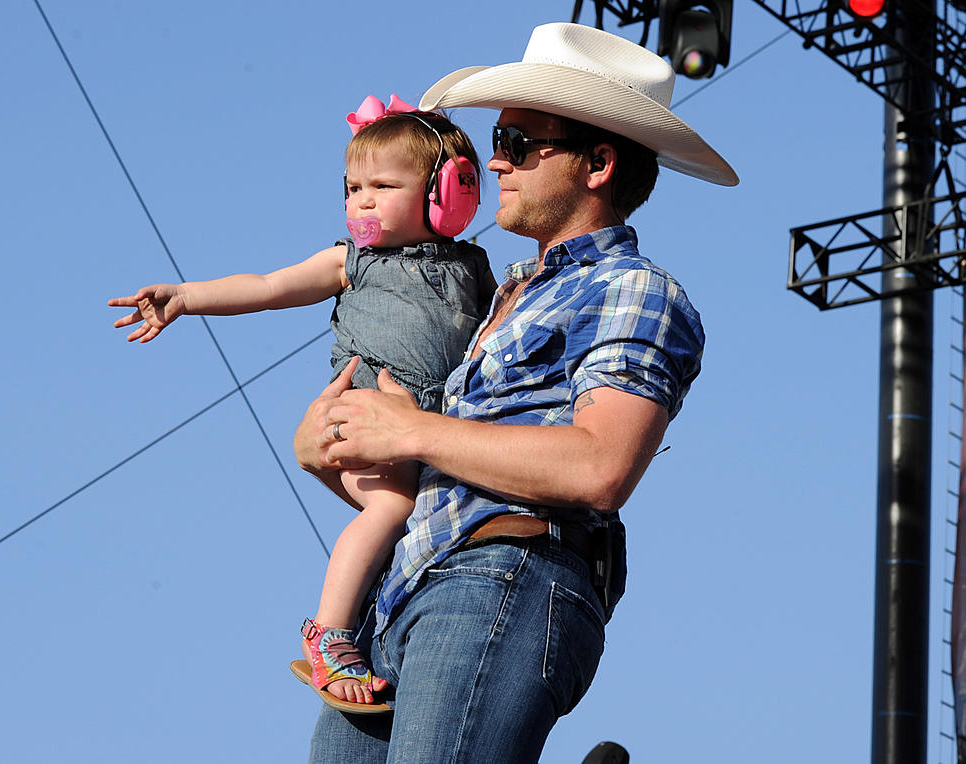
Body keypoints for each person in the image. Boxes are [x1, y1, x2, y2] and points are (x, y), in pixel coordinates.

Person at [293, 22, 738, 763]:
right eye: (499, 138)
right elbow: (444, 482)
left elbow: (600, 468)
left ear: (598, 163)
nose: (493, 159)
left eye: (519, 143)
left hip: (503, 579)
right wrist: (331, 450)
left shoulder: (635, 290)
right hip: (404, 596)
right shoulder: (501, 296)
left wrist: (408, 431)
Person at [107, 96, 495, 712]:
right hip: (361, 418)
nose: (362, 200)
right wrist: (186, 295)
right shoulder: (351, 261)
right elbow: (267, 287)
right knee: (390, 508)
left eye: (383, 186)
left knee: (417, 517)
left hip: (423, 429)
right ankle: (330, 633)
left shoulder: (474, 268)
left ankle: (379, 629)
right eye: (353, 187)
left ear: (447, 193)